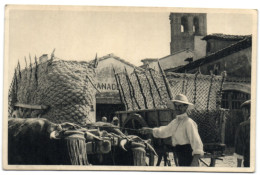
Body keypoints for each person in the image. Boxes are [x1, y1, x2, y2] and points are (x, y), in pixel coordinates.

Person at [141, 94, 204, 166]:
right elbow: (164, 131)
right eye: (176, 106)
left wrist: (195, 161)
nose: (178, 108)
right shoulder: (175, 122)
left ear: (185, 107)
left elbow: (196, 142)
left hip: (189, 155)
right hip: (180, 155)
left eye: (180, 106)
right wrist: (150, 130)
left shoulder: (189, 123)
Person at [234, 100, 251, 167]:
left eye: (243, 111)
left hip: (249, 163)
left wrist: (238, 167)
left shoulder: (243, 126)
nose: (243, 113)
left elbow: (239, 148)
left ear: (247, 111)